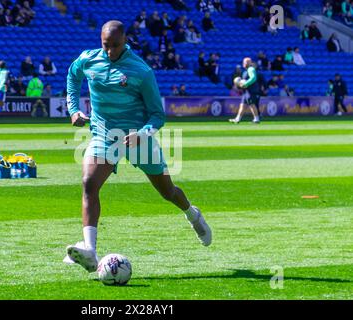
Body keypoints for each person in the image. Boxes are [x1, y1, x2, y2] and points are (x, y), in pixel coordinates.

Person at [63, 20, 212, 273]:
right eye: (106, 46)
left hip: (137, 137)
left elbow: (158, 115)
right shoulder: (88, 59)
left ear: (125, 41)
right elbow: (72, 76)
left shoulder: (140, 70)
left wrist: (143, 134)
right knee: (89, 182)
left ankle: (192, 214)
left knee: (167, 192)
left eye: (116, 46)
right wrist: (74, 109)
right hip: (103, 135)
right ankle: (90, 250)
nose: (110, 52)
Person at [229, 57, 261, 124]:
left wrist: (246, 83)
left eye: (247, 62)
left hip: (251, 91)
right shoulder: (245, 71)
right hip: (246, 91)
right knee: (242, 105)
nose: (245, 63)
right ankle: (237, 119)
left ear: (250, 63)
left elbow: (253, 78)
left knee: (252, 104)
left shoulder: (251, 69)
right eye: (244, 62)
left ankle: (256, 119)